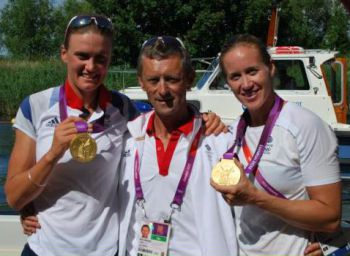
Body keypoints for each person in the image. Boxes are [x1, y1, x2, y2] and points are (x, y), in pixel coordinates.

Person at [9, 15, 224, 256]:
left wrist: (205, 119)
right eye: (82, 56)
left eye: (100, 58)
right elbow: (15, 197)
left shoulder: (124, 109)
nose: (91, 67)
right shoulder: (35, 106)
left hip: (105, 251)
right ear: (64, 54)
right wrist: (52, 155)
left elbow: (166, 116)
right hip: (44, 250)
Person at [211, 34, 341, 255]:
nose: (246, 84)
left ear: (270, 69)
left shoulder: (306, 126)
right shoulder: (231, 133)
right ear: (228, 83)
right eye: (235, 76)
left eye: (252, 71)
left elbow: (330, 218)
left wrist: (255, 198)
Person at [117, 36, 238, 256]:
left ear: (189, 79)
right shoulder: (128, 139)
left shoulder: (218, 141)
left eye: (171, 79)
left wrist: (314, 237)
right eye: (153, 80)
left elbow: (253, 204)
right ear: (141, 82)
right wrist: (34, 208)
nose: (162, 90)